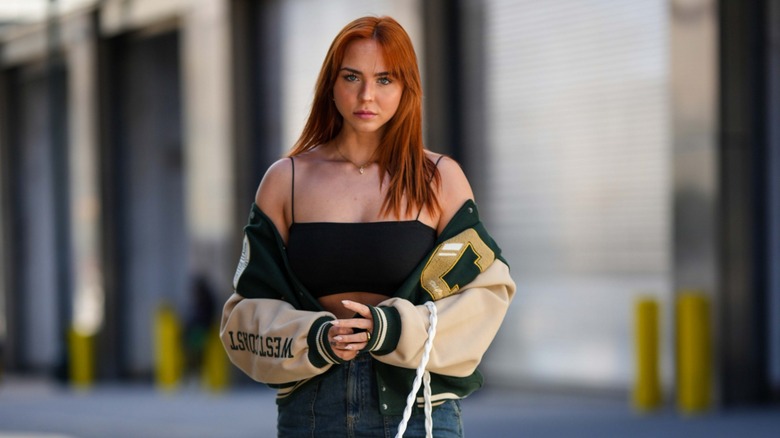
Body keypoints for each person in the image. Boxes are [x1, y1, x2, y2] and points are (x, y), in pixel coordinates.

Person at [220, 15, 515, 437]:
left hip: (418, 410)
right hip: (313, 411)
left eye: (384, 79)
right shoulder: (286, 180)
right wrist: (314, 337)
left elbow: (487, 292)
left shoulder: (438, 179)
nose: (366, 95)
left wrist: (393, 330)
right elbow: (243, 314)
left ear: (406, 88)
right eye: (352, 77)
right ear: (330, 85)